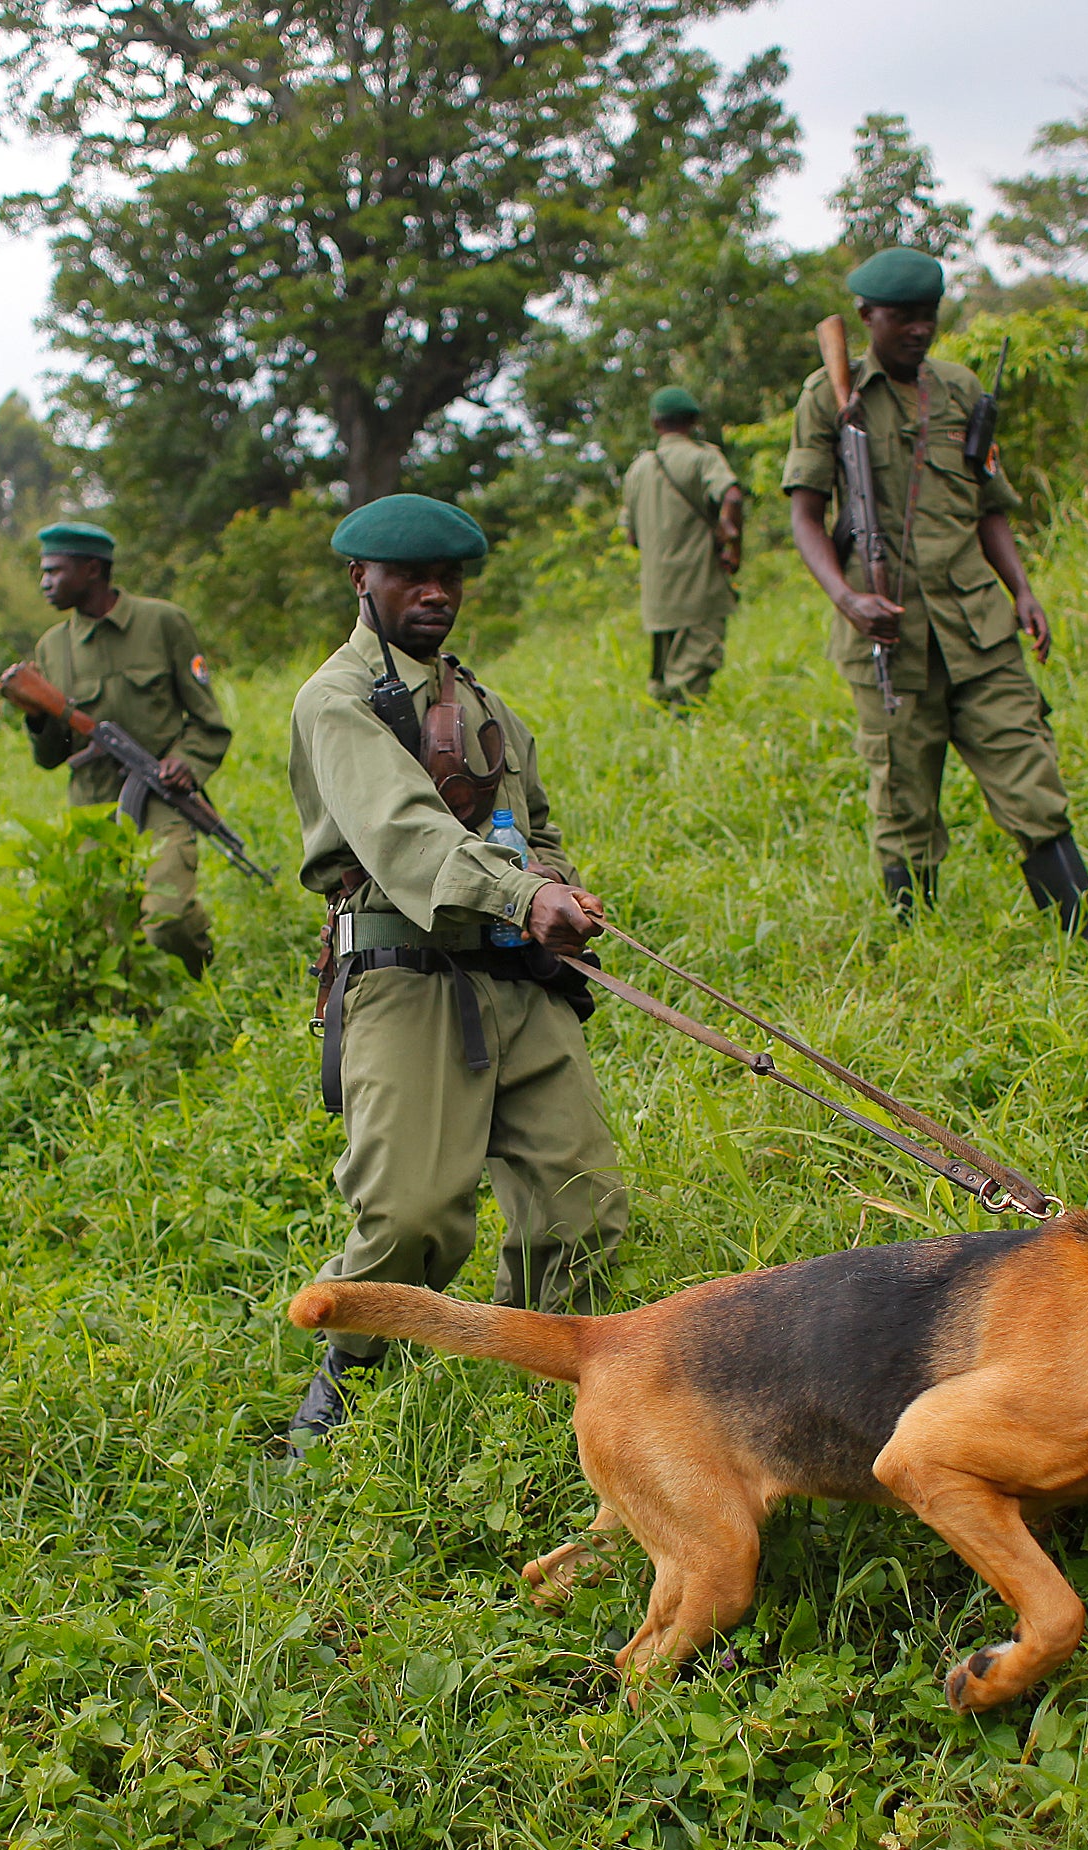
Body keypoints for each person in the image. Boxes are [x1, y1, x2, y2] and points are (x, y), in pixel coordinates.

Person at [283, 493, 628, 1450]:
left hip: (518, 980)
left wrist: (556, 891)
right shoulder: (338, 699)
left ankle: (537, 1393)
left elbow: (536, 824)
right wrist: (522, 898)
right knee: (410, 1219)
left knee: (582, 1206)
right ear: (363, 580)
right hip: (404, 971)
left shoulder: (482, 704)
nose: (436, 593)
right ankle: (341, 1390)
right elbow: (401, 831)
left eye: (451, 577)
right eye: (411, 577)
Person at [783, 246, 1088, 951]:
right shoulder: (829, 395)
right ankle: (921, 945)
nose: (919, 330)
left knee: (1029, 771)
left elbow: (989, 505)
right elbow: (805, 514)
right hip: (888, 632)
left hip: (977, 626)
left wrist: (1022, 590)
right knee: (904, 796)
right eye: (903, 318)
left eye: (928, 316)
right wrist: (846, 599)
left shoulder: (961, 390)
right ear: (868, 316)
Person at [17, 521, 233, 976]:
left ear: (92, 569)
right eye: (44, 572)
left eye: (55, 571)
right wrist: (38, 716)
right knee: (110, 941)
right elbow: (51, 757)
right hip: (92, 808)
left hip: (160, 797)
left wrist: (185, 764)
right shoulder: (52, 648)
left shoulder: (163, 623)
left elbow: (209, 724)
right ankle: (141, 1028)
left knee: (168, 919)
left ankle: (202, 976)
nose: (45, 583)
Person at [618, 386, 745, 712]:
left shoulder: (638, 469)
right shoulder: (703, 457)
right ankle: (684, 728)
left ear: (655, 423)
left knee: (663, 673)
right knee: (695, 668)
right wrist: (734, 546)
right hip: (698, 586)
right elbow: (731, 496)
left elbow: (630, 536)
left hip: (658, 592)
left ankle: (663, 732)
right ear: (693, 421)